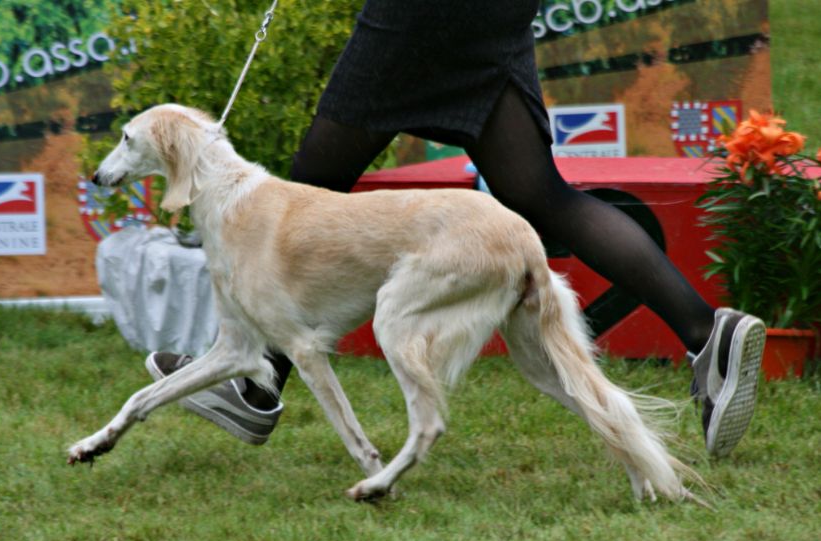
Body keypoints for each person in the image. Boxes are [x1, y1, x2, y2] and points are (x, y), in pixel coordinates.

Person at [145, 0, 766, 457]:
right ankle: (705, 329)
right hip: (492, 13)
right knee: (536, 192)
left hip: (420, 15)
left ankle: (255, 386)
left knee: (315, 179)